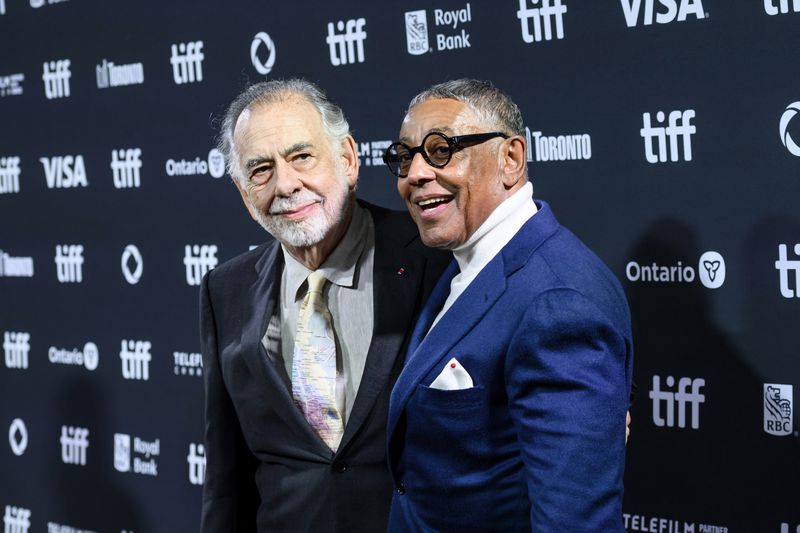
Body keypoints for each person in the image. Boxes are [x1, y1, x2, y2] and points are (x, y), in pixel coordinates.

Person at [383, 79, 634, 532]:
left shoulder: (558, 304)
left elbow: (575, 523)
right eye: (404, 157)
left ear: (511, 159)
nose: (415, 173)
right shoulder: (468, 261)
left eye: (441, 150)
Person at [199, 79, 448, 532]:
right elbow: (226, 478)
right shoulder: (225, 289)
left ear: (349, 159)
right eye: (260, 170)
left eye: (301, 157)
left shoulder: (436, 260)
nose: (286, 184)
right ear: (243, 193)